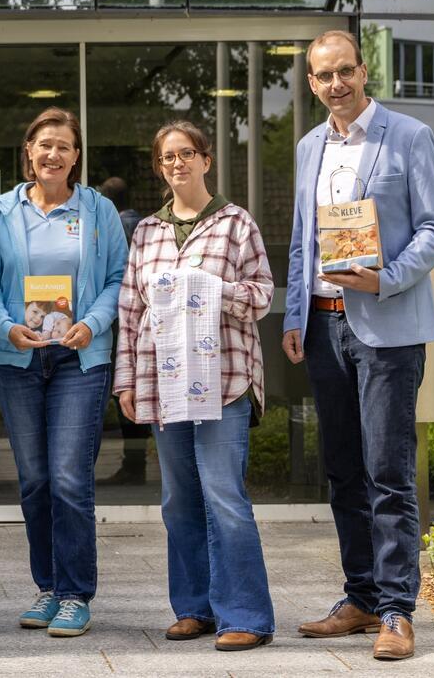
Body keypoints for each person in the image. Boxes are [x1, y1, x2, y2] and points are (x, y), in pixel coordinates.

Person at [282, 30, 434, 662]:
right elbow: (302, 238)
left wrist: (389, 277)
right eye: (323, 77)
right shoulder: (308, 147)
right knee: (343, 471)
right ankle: (358, 597)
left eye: (345, 72)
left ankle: (397, 610)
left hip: (387, 328)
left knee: (389, 472)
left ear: (362, 69)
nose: (336, 85)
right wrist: (294, 315)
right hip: (325, 327)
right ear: (311, 83)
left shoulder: (407, 136)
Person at [114, 120, 275, 652]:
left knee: (224, 498)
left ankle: (246, 616)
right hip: (165, 387)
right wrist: (128, 383)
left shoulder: (235, 223)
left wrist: (212, 289)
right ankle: (193, 609)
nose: (177, 164)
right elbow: (131, 313)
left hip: (224, 382)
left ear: (206, 160)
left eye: (187, 154)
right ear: (159, 167)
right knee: (178, 501)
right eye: (167, 157)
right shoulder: (147, 232)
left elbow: (262, 296)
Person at [0, 108, 127, 638]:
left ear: (76, 156)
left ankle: (74, 594)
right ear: (28, 152)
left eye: (63, 146)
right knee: (35, 480)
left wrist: (92, 323)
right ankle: (46, 587)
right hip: (19, 356)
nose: (53, 154)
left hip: (78, 357)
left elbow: (116, 277)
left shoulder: (98, 210)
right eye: (44, 145)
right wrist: (3, 327)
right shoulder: (1, 210)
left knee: (68, 478)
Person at [100, 175, 152, 484]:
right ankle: (137, 462)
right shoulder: (143, 223)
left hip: (119, 318)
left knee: (124, 390)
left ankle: (134, 465)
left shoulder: (116, 226)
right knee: (135, 387)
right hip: (140, 317)